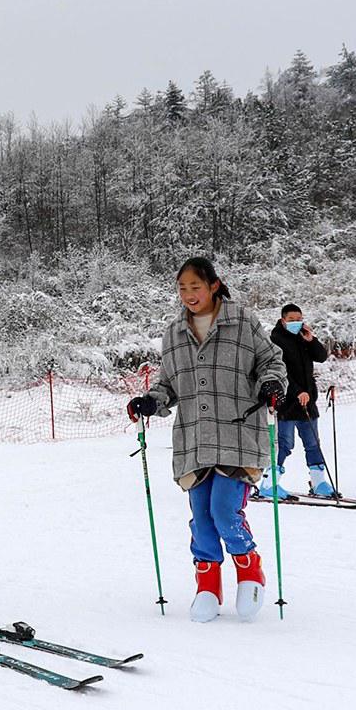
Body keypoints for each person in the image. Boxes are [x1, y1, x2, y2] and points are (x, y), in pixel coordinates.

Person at [127, 257, 284, 623]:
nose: (188, 295)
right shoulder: (173, 333)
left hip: (238, 433)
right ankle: (208, 585)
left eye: (195, 287)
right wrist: (152, 400)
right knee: (201, 519)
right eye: (182, 288)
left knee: (224, 512)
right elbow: (168, 383)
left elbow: (270, 362)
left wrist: (272, 384)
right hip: (195, 439)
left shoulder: (242, 321)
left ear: (214, 285)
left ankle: (249, 569)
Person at [264, 303, 335, 499]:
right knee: (284, 444)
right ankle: (269, 484)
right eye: (292, 320)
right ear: (282, 320)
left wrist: (311, 340)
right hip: (287, 402)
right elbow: (280, 371)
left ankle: (319, 482)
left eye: (299, 319)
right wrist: (297, 392)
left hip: (307, 402)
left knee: (313, 443)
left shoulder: (303, 338)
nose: (296, 323)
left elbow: (321, 356)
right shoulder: (275, 341)